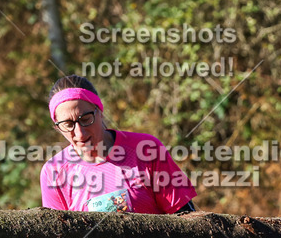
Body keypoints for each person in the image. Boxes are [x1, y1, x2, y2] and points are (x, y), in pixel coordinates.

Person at [41, 75, 197, 214]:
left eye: (86, 119)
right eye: (68, 124)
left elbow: (184, 217)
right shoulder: (54, 172)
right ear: (57, 127)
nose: (80, 133)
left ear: (100, 112)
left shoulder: (146, 149)